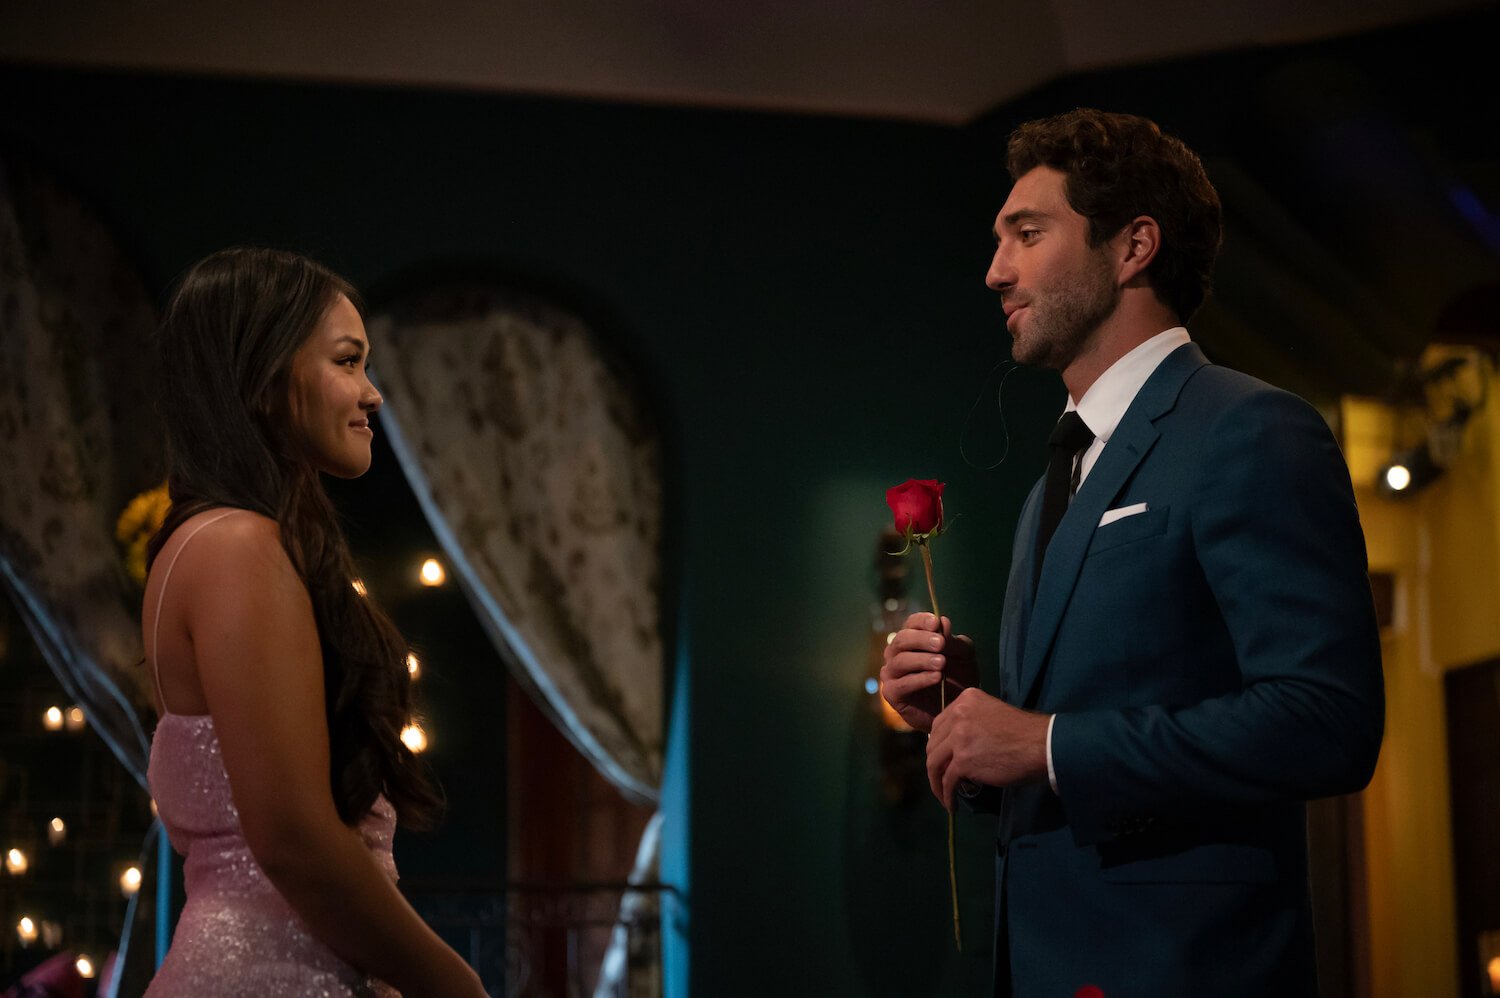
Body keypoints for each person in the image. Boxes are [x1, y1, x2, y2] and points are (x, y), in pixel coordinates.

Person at [880, 109, 1384, 997]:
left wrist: (1045, 743)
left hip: (1186, 971)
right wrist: (967, 726)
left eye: (1027, 234)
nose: (996, 270)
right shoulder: (1052, 481)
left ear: (1133, 246)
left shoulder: (1252, 429)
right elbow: (1061, 762)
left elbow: (1327, 723)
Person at [141, 248, 486, 997]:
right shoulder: (240, 546)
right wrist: (456, 986)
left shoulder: (209, 540)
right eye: (347, 362)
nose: (373, 395)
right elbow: (294, 840)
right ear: (265, 378)